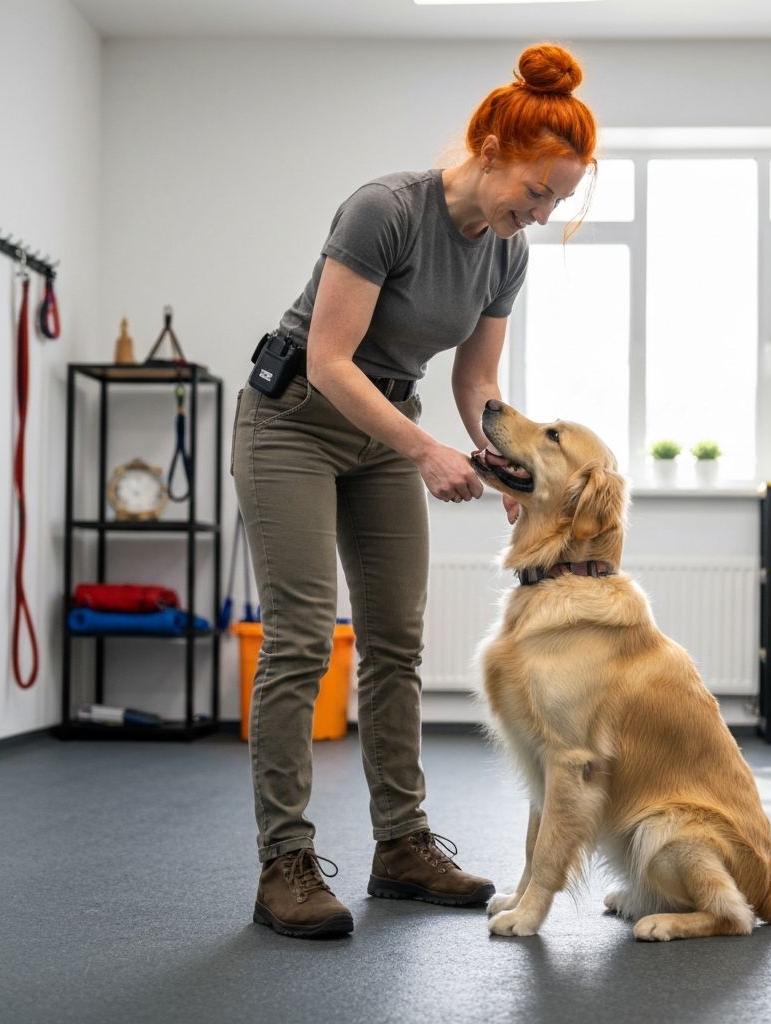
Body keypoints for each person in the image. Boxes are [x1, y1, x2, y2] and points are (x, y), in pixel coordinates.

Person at [231, 41, 598, 938]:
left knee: (396, 640)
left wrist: (500, 463)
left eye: (559, 200)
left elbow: (478, 384)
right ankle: (284, 862)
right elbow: (327, 361)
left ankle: (402, 845)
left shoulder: (504, 253)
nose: (542, 214)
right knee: (304, 634)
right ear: (493, 149)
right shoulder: (383, 210)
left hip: (385, 432)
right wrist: (429, 453)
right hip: (295, 422)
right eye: (539, 191)